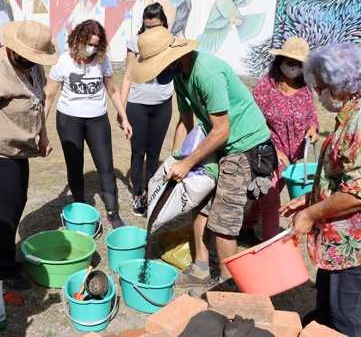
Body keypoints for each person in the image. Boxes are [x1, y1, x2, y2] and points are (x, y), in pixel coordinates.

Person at [132, 26, 273, 285]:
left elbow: (221, 130)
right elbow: (186, 122)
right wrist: (175, 159)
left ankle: (228, 286)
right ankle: (200, 268)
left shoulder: (207, 72)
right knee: (201, 204)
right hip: (222, 144)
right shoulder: (180, 76)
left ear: (173, 57)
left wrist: (188, 163)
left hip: (246, 147)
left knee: (223, 221)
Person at [0, 20, 57, 290]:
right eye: (26, 57)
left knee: (16, 203)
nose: (31, 62)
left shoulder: (33, 66)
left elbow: (39, 102)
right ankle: (3, 268)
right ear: (13, 48)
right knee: (9, 207)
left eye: (35, 58)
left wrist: (43, 135)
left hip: (17, 150)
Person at [280, 42, 361, 337]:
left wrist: (312, 213)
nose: (319, 93)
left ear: (342, 83)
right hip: (336, 243)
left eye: (323, 86)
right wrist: (308, 200)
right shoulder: (347, 117)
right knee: (326, 312)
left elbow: (357, 192)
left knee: (346, 321)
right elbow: (340, 179)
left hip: (353, 250)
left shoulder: (359, 122)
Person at [44, 19, 132, 228]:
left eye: (95, 45)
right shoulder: (64, 62)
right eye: (88, 43)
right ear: (77, 40)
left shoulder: (102, 61)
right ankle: (80, 209)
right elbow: (48, 96)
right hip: (68, 120)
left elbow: (112, 90)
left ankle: (113, 213)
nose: (91, 49)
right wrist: (41, 129)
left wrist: (124, 117)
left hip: (97, 120)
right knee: (75, 166)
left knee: (106, 166)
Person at [242, 37, 319, 242]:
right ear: (280, 61)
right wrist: (274, 150)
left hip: (293, 157)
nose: (294, 68)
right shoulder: (266, 87)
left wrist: (313, 128)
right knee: (271, 198)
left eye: (299, 64)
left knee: (267, 194)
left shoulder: (305, 90)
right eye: (290, 62)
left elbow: (312, 115)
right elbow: (253, 121)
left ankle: (246, 225)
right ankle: (270, 241)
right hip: (268, 153)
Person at [120, 3, 174, 217]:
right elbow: (127, 76)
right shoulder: (134, 43)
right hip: (138, 105)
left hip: (163, 105)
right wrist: (122, 111)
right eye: (147, 26)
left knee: (154, 155)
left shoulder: (171, 42)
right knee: (137, 152)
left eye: (156, 26)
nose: (151, 30)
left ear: (163, 25)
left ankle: (151, 195)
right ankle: (138, 196)